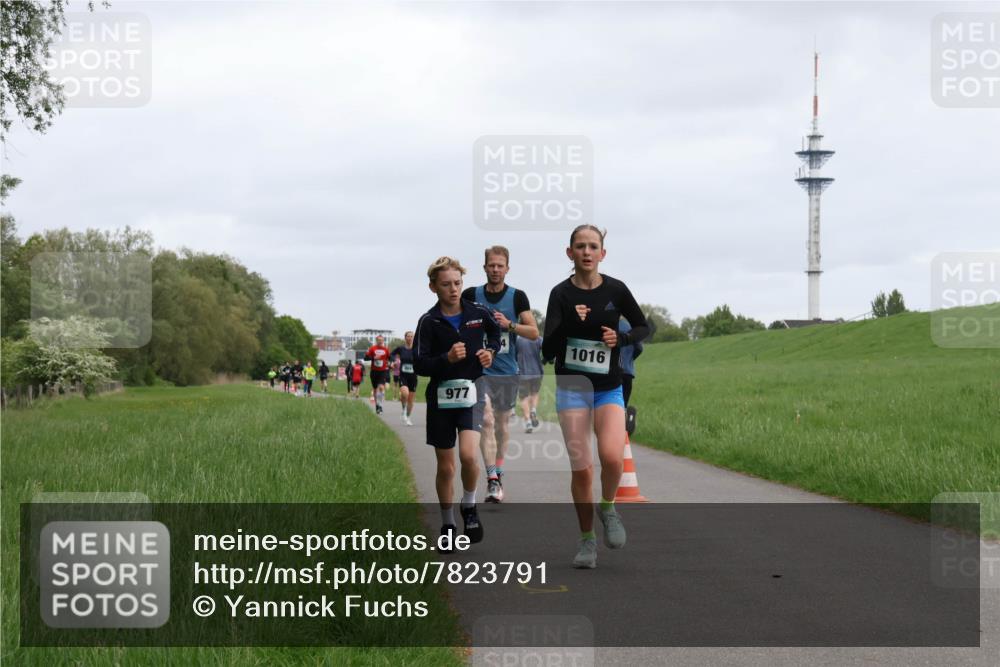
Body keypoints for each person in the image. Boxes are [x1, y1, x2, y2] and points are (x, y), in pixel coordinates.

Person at [541, 224, 649, 569]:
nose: (586, 252)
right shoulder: (560, 294)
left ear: (602, 253)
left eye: (593, 246)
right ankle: (587, 540)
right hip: (572, 388)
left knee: (612, 457)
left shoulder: (616, 289)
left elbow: (645, 326)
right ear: (569, 253)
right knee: (583, 467)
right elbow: (548, 346)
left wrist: (624, 339)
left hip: (607, 387)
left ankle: (608, 507)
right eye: (580, 246)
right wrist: (573, 325)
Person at [414, 256, 500, 552]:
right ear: (433, 287)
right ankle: (448, 523)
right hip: (440, 397)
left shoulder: (477, 312)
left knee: (468, 455)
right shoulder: (428, 321)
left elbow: (496, 334)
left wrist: (490, 352)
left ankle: (470, 505)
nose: (453, 289)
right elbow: (420, 365)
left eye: (457, 283)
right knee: (446, 466)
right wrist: (446, 359)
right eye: (446, 284)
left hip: (472, 392)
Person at [462, 246, 539, 504]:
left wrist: (510, 325)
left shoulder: (518, 298)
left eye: (500, 265)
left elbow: (534, 332)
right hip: (478, 370)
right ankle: (492, 479)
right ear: (484, 267)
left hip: (507, 372)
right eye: (491, 265)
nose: (495, 270)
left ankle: (499, 470)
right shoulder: (471, 295)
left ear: (507, 268)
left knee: (502, 426)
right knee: (486, 421)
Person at [617, 317, 643, 435]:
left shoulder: (607, 325)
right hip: (628, 372)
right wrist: (630, 360)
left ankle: (617, 434)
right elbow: (639, 348)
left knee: (611, 405)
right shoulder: (630, 326)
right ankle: (628, 418)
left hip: (612, 372)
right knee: (623, 404)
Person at [516, 335, 544, 433]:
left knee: (524, 397)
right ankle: (533, 411)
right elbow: (546, 349)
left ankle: (528, 422)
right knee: (534, 393)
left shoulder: (517, 339)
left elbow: (513, 355)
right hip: (537, 371)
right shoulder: (537, 338)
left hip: (522, 372)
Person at [392, 331, 419, 426]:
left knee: (411, 400)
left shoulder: (417, 349)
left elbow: (423, 358)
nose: (410, 338)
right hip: (403, 375)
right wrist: (394, 362)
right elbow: (392, 354)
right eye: (408, 336)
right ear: (405, 338)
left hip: (413, 377)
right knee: (405, 393)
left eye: (412, 336)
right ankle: (403, 409)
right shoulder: (401, 349)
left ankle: (407, 417)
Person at [365, 335, 391, 414]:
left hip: (382, 371)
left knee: (381, 388)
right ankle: (377, 406)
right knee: (375, 390)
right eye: (379, 340)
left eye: (381, 340)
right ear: (376, 340)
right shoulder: (372, 348)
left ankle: (380, 406)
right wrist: (373, 358)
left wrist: (392, 362)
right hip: (374, 372)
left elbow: (390, 357)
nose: (380, 341)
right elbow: (365, 358)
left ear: (383, 341)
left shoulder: (386, 349)